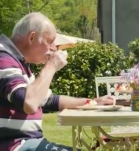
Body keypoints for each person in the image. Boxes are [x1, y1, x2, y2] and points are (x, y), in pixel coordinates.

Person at [0, 12, 114, 151]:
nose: (54, 47)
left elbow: (50, 100)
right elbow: (28, 102)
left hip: (26, 142)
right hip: (13, 145)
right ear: (32, 37)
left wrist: (93, 102)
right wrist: (52, 65)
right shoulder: (3, 58)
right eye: (50, 41)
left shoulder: (19, 62)